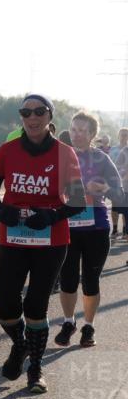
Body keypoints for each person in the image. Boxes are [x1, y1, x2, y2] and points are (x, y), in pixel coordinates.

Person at [0, 95, 85, 393]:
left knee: (35, 308)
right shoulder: (8, 150)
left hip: (51, 241)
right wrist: (1, 209)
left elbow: (78, 201)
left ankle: (36, 370)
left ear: (49, 115)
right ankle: (22, 345)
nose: (32, 117)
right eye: (26, 112)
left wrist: (53, 215)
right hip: (14, 238)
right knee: (5, 307)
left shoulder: (65, 153)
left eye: (39, 111)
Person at [54, 112, 124, 347]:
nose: (76, 134)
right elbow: (52, 186)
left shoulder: (102, 159)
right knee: (67, 279)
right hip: (68, 226)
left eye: (82, 130)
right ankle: (68, 321)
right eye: (73, 129)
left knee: (91, 280)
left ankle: (89, 326)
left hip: (96, 227)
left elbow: (119, 193)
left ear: (92, 134)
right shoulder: (60, 156)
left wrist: (105, 187)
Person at [112, 128, 128, 238]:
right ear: (118, 136)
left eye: (126, 135)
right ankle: (114, 229)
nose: (124, 137)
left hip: (126, 184)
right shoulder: (113, 149)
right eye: (122, 135)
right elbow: (112, 164)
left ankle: (125, 230)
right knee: (115, 207)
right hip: (116, 182)